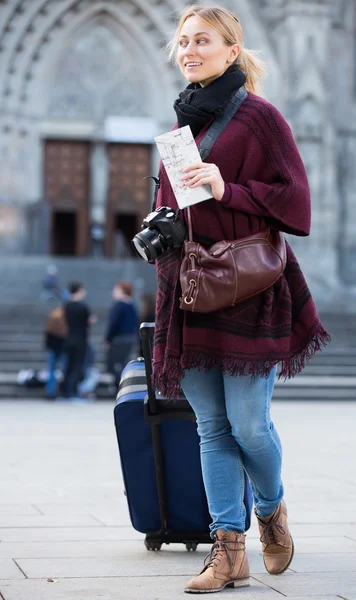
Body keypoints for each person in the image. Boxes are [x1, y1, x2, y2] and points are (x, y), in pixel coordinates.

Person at [152, 5, 331, 595]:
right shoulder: (181, 128)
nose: (189, 50)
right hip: (194, 285)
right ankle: (227, 551)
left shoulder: (259, 118)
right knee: (210, 428)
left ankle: (272, 511)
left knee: (249, 424)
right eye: (183, 42)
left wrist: (228, 186)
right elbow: (179, 204)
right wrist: (161, 227)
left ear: (231, 50)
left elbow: (296, 202)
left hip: (251, 285)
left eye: (201, 40)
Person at [63, 282, 94, 400]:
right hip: (80, 340)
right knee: (77, 366)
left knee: (69, 366)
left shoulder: (66, 306)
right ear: (79, 290)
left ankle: (65, 391)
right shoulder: (82, 307)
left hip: (68, 339)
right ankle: (72, 391)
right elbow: (88, 321)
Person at [105, 281, 138, 388]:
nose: (114, 293)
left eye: (116, 290)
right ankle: (124, 385)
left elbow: (114, 323)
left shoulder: (119, 306)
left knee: (112, 364)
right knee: (124, 362)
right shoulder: (132, 305)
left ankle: (119, 385)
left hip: (119, 338)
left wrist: (108, 338)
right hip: (130, 338)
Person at [43, 306, 67, 399]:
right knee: (64, 370)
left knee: (51, 371)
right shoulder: (64, 320)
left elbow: (47, 333)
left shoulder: (51, 318)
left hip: (52, 347)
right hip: (62, 348)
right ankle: (64, 390)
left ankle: (50, 392)